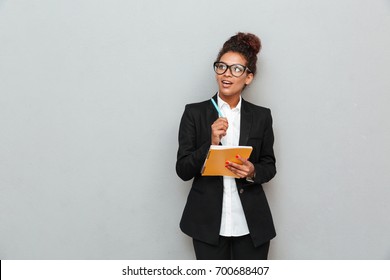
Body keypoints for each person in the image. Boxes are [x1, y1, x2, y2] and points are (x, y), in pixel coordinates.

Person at [176, 32, 276, 260]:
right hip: (207, 223)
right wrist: (209, 144)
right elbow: (182, 170)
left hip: (251, 223)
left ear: (248, 77)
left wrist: (253, 171)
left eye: (236, 69)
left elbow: (269, 165)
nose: (226, 74)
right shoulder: (194, 113)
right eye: (221, 67)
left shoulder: (261, 116)